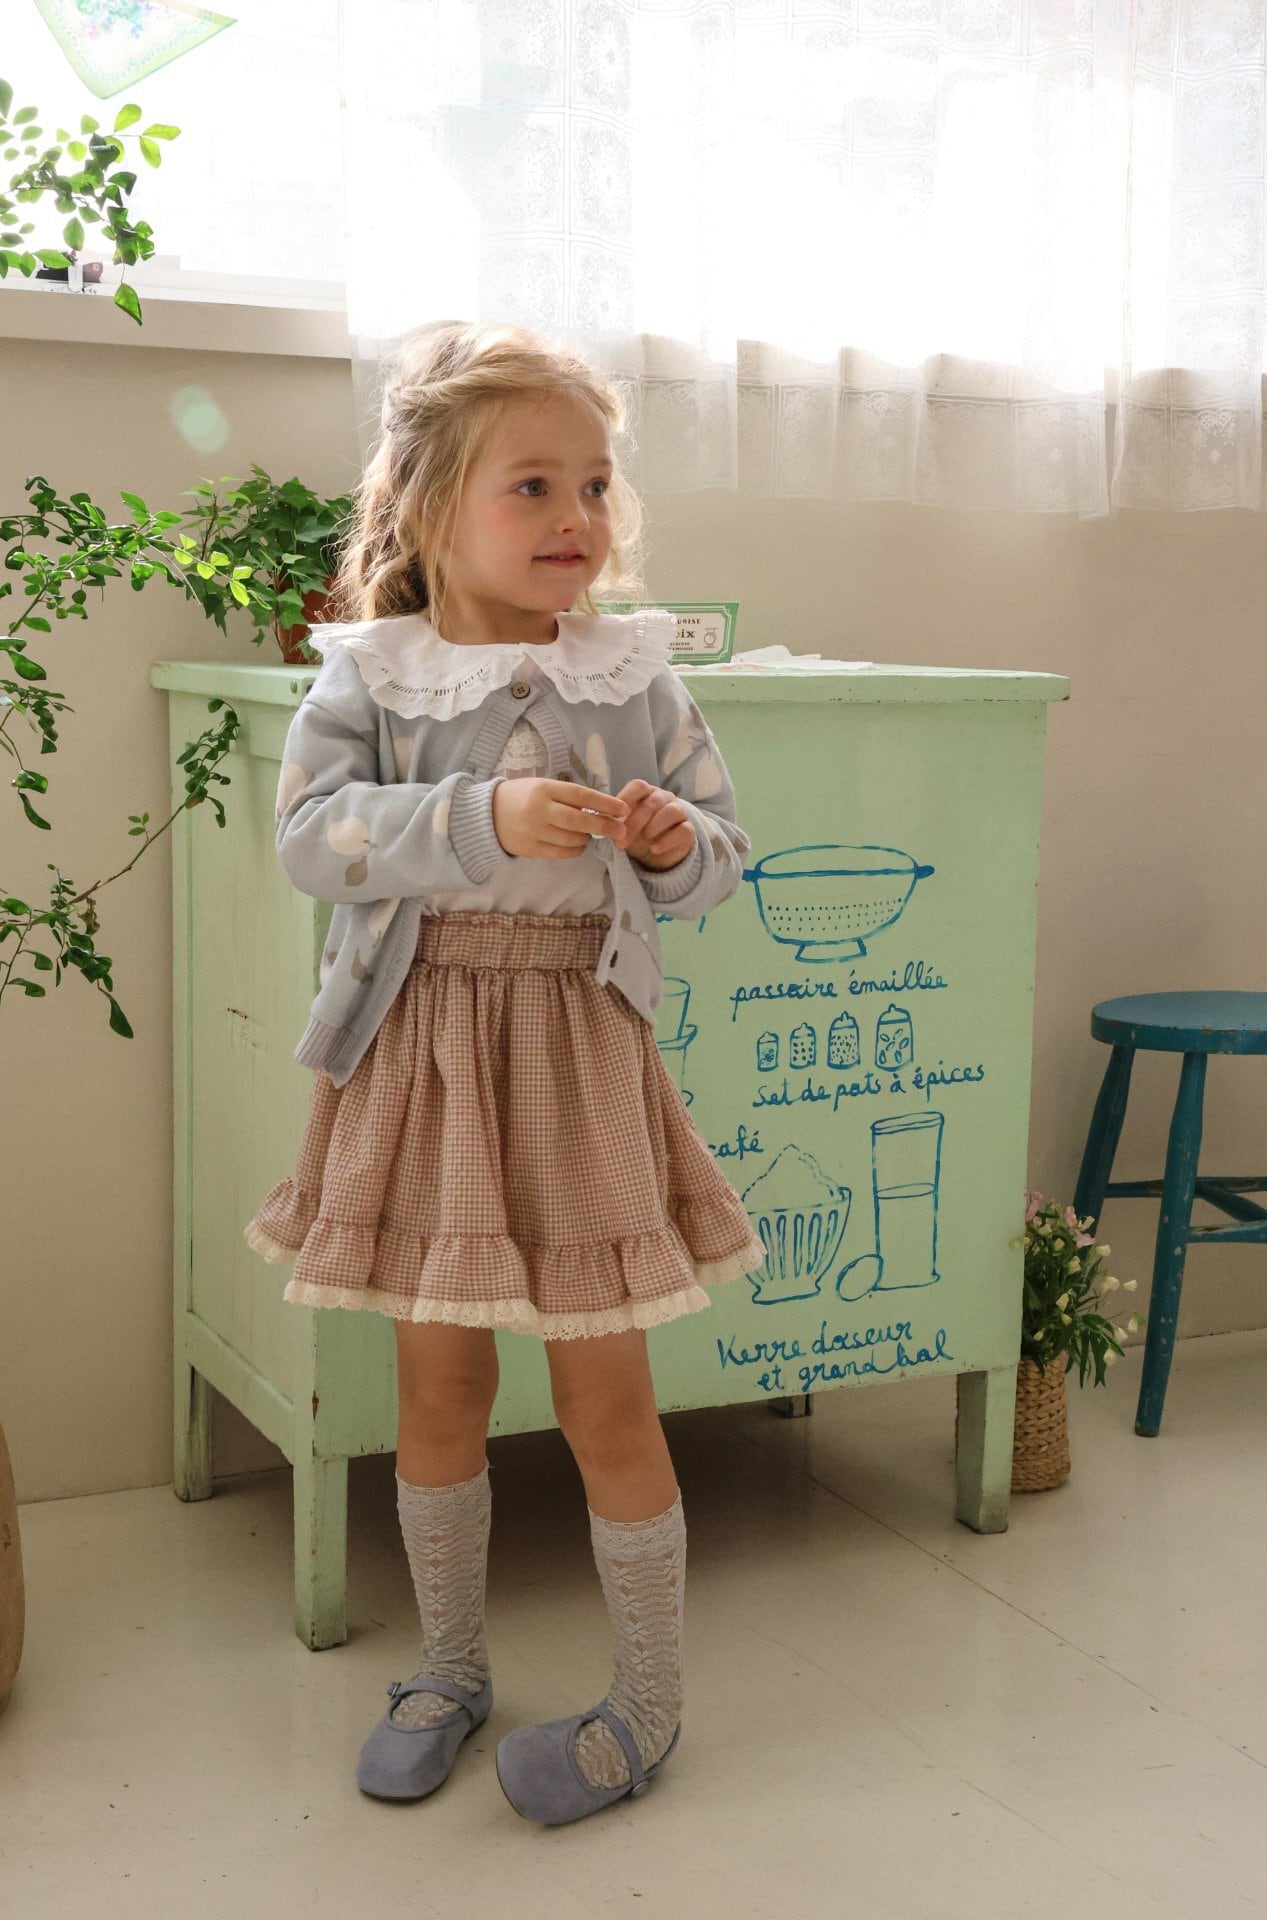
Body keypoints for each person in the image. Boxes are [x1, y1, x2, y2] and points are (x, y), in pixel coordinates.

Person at [244, 319, 765, 1826]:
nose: (575, 518)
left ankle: (649, 1702)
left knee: (608, 1397)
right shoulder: (369, 676)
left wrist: (669, 844)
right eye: (531, 486)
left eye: (593, 485)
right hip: (423, 1062)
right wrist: (477, 818)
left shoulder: (635, 676)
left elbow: (722, 852)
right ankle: (451, 1666)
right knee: (440, 1384)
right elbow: (312, 840)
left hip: (578, 1059)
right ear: (427, 507)